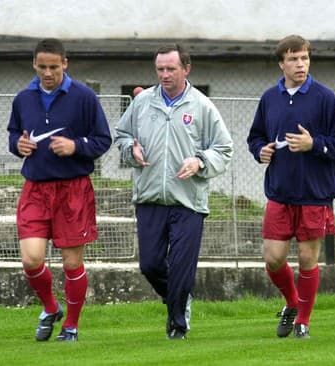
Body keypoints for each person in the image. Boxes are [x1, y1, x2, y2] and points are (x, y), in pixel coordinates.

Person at [115, 44, 233, 340]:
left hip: (188, 202)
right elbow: (122, 135)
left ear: (186, 69)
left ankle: (178, 324)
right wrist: (132, 149)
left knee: (181, 267)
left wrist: (200, 161)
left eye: (171, 69)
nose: (164, 75)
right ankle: (179, 299)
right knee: (150, 264)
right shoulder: (142, 103)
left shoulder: (202, 106)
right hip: (150, 197)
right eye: (160, 69)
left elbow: (224, 149)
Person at [247, 34, 335, 339]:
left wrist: (314, 144)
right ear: (281, 63)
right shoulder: (269, 98)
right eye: (293, 59)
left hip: (315, 194)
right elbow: (255, 137)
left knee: (308, 259)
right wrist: (260, 151)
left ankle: (303, 321)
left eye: (305, 58)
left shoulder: (325, 98)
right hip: (279, 192)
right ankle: (293, 303)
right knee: (273, 258)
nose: (300, 64)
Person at [7, 38, 112, 342]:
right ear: (34, 65)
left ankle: (71, 326)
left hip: (73, 190)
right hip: (36, 189)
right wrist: (19, 145)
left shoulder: (85, 97)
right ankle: (51, 308)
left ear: (65, 64)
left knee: (71, 263)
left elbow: (102, 141)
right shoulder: (23, 98)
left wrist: (75, 146)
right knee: (31, 260)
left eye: (54, 66)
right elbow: (14, 135)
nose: (48, 72)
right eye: (42, 67)